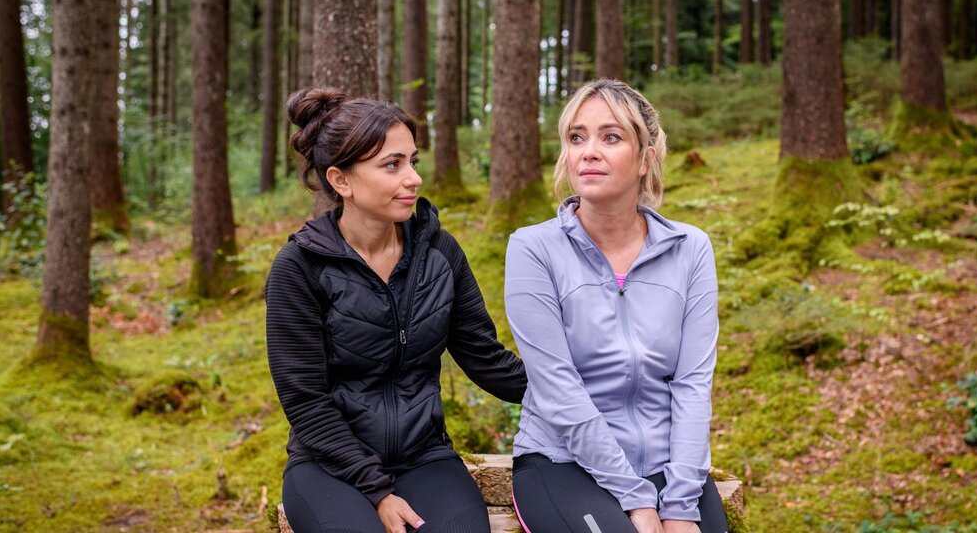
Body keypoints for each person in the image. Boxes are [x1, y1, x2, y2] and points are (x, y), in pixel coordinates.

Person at [266, 88, 527, 533]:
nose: (413, 179)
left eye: (413, 161)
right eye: (392, 165)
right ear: (341, 180)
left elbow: (486, 360)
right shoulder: (300, 268)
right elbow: (306, 402)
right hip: (329, 466)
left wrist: (592, 395)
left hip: (425, 457)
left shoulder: (438, 252)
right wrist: (377, 492)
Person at [504, 79, 727, 533]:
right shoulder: (533, 249)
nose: (588, 151)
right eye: (576, 137)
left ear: (646, 158)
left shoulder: (691, 249)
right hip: (561, 460)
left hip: (668, 464)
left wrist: (681, 505)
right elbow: (558, 390)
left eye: (611, 137)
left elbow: (692, 385)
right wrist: (635, 498)